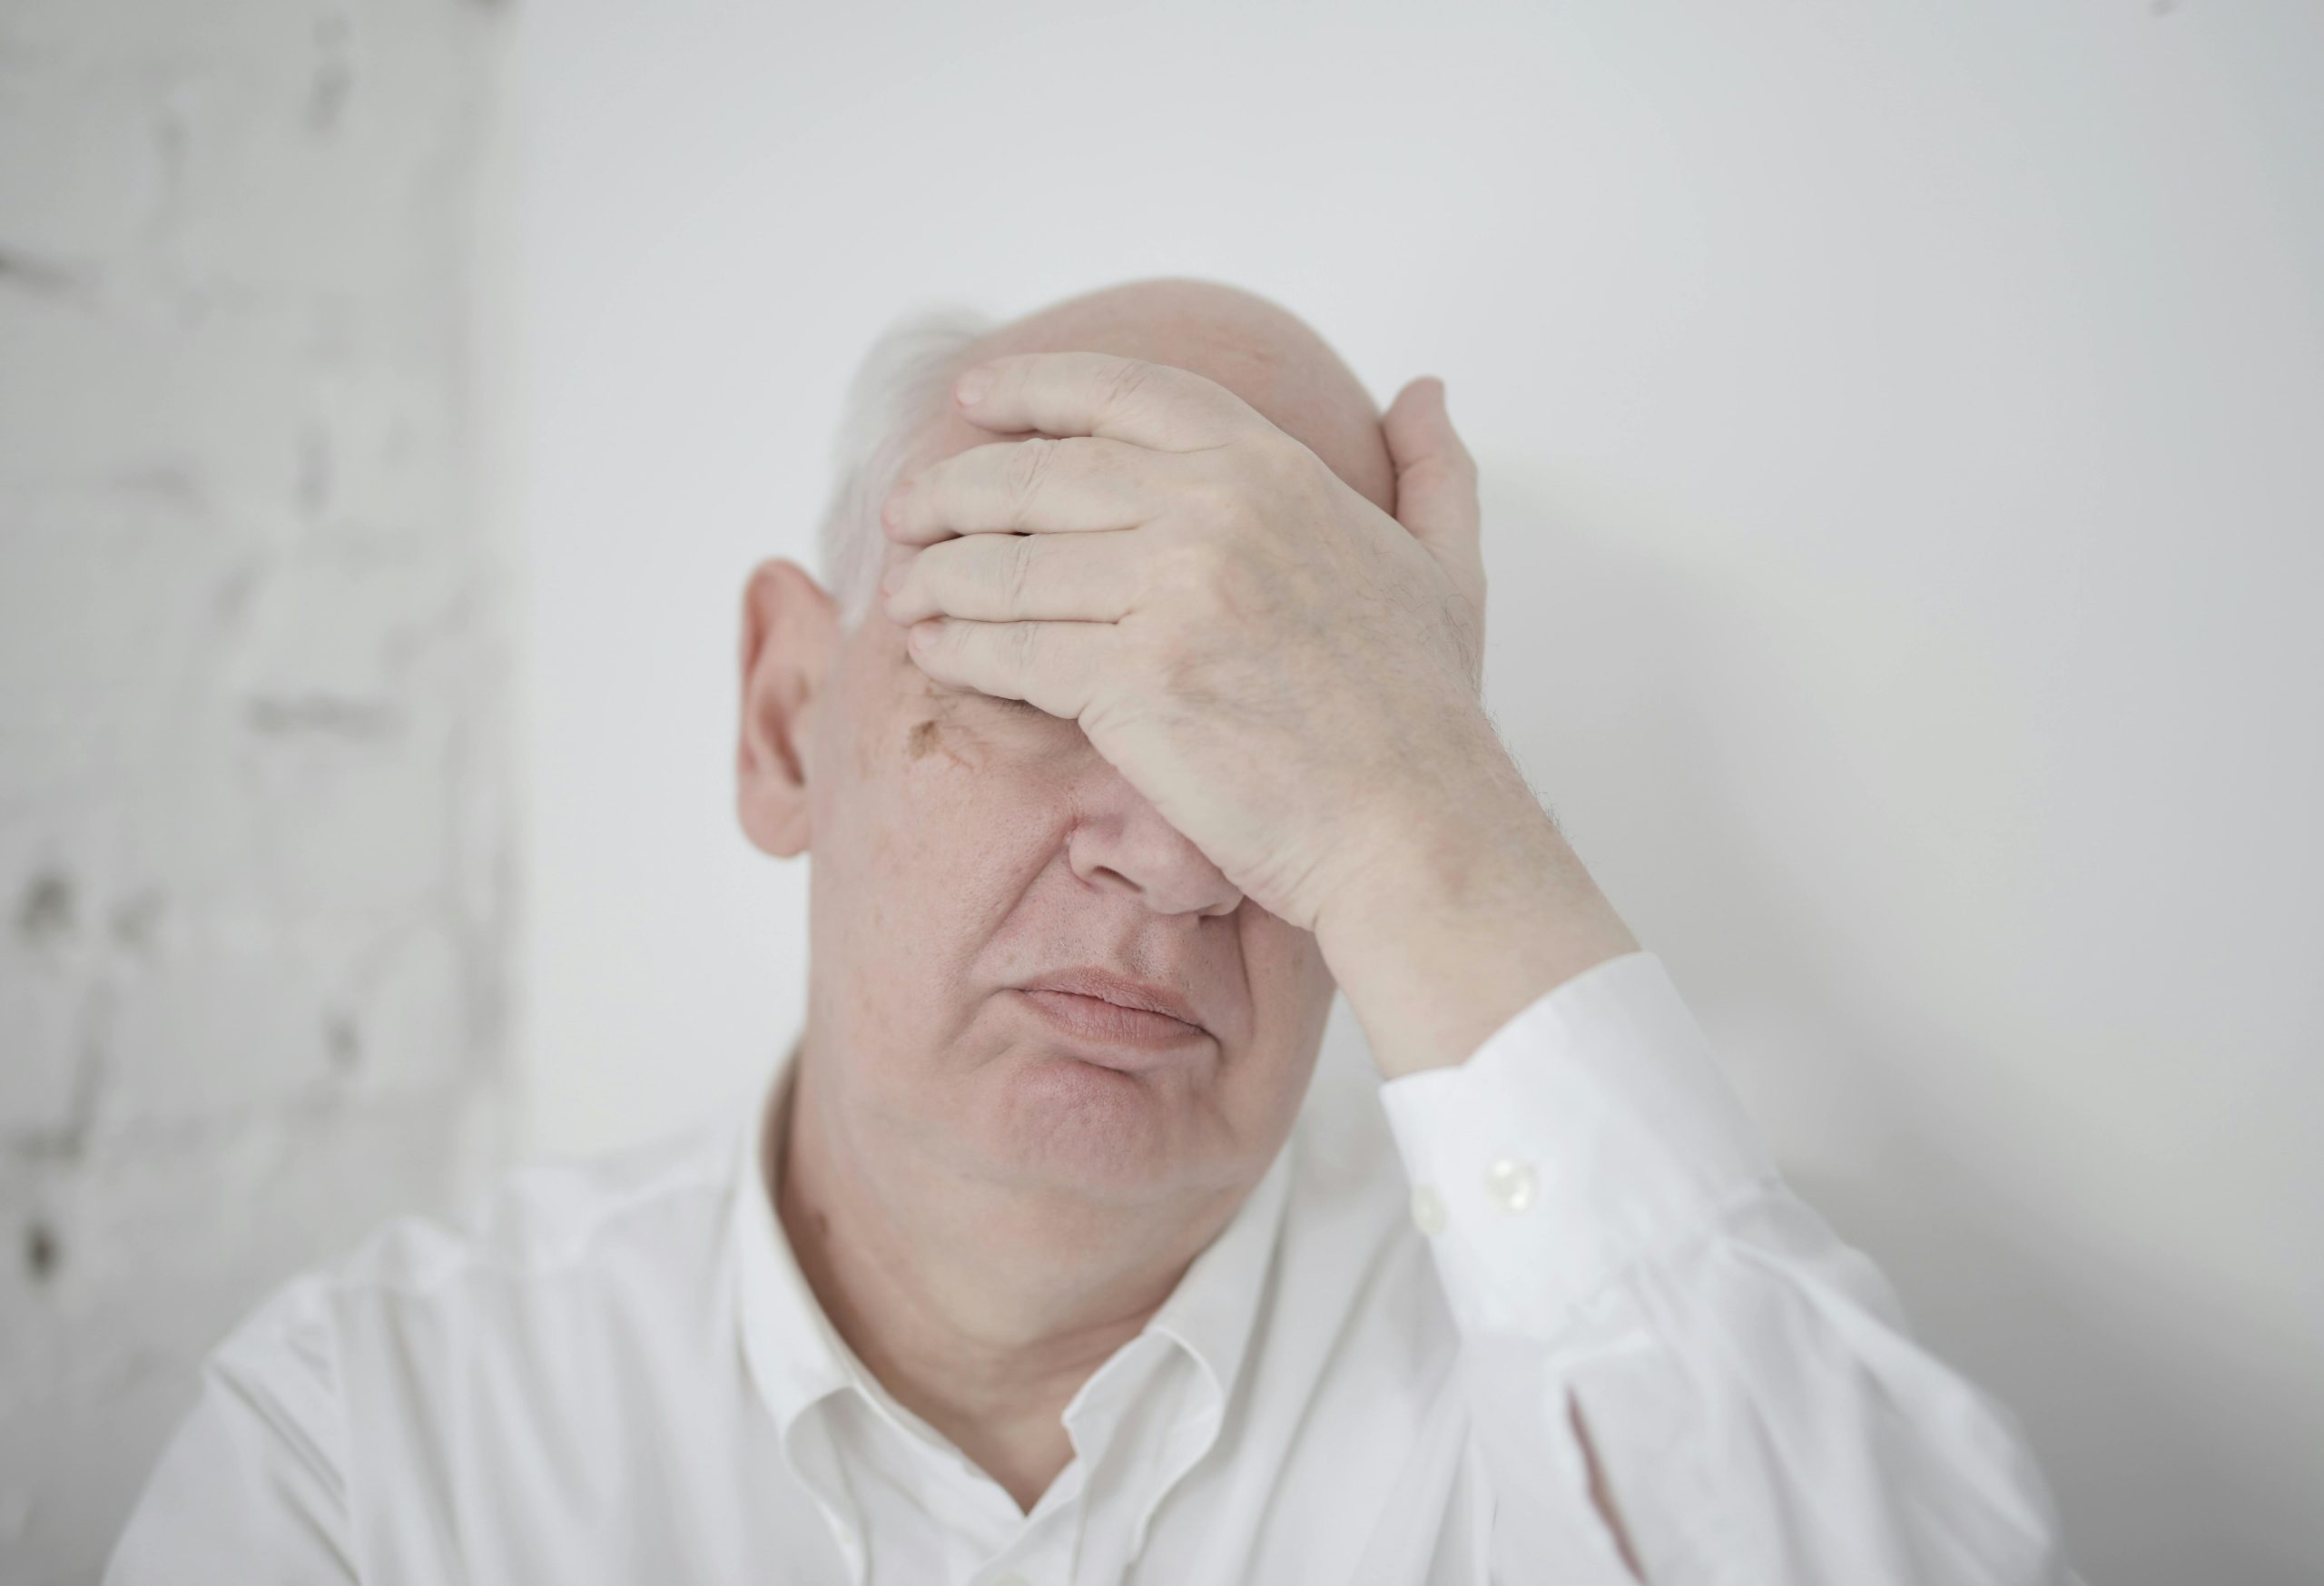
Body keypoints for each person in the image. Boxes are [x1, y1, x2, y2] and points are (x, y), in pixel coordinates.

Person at [107, 277, 2082, 1583]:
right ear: (792, 720)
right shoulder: (378, 1452)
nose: (1171, 856)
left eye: (1270, 718)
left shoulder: (1601, 1389)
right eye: (1048, 668)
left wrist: (1428, 819)